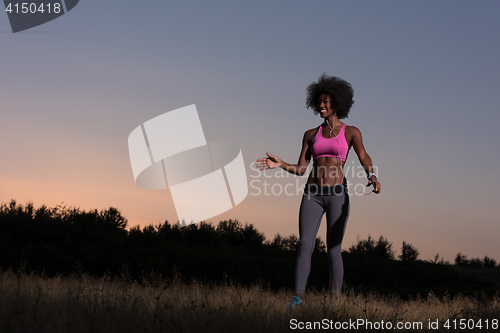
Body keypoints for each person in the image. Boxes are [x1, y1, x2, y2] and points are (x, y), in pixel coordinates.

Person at [256, 74, 381, 307]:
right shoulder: (310, 134)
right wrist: (281, 164)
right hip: (312, 194)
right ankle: (298, 298)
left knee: (333, 249)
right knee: (305, 245)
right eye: (319, 102)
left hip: (337, 195)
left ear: (337, 103)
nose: (322, 106)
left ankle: (334, 303)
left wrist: (371, 174)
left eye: (326, 102)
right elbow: (302, 168)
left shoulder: (351, 132)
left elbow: (363, 155)